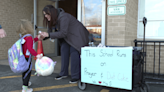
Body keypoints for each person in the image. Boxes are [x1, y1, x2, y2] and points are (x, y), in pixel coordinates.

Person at [39, 5, 89, 83]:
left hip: (77, 36)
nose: (45, 16)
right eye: (44, 14)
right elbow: (49, 33)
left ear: (52, 13)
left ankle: (75, 76)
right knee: (64, 51)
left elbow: (63, 33)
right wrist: (43, 37)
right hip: (67, 37)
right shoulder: (52, 20)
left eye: (47, 14)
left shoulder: (64, 17)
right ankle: (63, 73)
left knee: (74, 53)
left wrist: (48, 35)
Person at [16, 19, 43, 92]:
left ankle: (25, 84)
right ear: (28, 28)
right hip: (27, 58)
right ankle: (25, 88)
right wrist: (37, 55)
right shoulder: (29, 37)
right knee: (27, 72)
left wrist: (37, 38)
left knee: (24, 71)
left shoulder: (23, 37)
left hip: (22, 57)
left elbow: (29, 43)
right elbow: (30, 48)